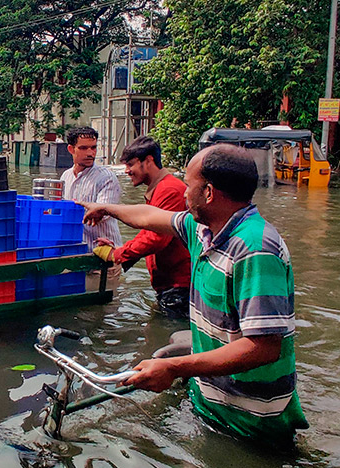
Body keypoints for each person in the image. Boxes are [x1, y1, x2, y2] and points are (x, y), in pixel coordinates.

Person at [81, 144, 308, 446]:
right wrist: (107, 209)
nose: (184, 193)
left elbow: (263, 348)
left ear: (209, 193)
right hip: (211, 404)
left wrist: (174, 368)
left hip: (251, 425)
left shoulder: (255, 250)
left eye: (189, 185)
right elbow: (150, 216)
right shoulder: (201, 231)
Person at [93, 136, 190, 320]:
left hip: (180, 285)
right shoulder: (161, 188)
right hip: (170, 284)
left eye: (131, 164)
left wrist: (118, 254)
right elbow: (149, 233)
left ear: (149, 161)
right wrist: (119, 251)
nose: (127, 171)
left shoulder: (169, 189)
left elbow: (157, 238)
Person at [61, 125, 121, 248]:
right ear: (71, 149)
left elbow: (101, 214)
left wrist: (65, 213)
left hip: (105, 252)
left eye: (93, 148)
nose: (90, 153)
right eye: (83, 148)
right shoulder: (65, 177)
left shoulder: (106, 178)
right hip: (77, 251)